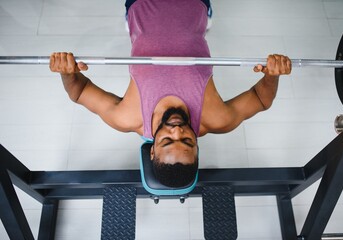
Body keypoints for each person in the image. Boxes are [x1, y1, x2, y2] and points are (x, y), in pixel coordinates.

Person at [50, 0, 291, 188]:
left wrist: (67, 71)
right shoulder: (216, 118)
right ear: (196, 148)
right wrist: (272, 74)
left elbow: (80, 91)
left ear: (152, 150)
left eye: (167, 140)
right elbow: (261, 99)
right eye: (187, 141)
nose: (177, 131)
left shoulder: (128, 117)